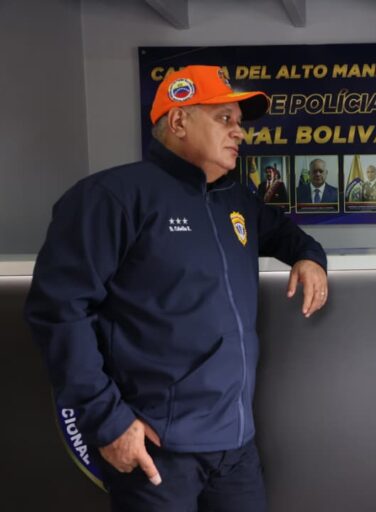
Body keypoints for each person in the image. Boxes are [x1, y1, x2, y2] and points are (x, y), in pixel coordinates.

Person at [24, 65, 329, 512]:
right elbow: (59, 312)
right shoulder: (111, 196)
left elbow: (286, 234)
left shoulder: (235, 198)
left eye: (239, 122)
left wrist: (310, 258)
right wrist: (108, 423)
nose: (239, 132)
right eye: (224, 118)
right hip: (157, 450)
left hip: (236, 447)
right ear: (179, 120)